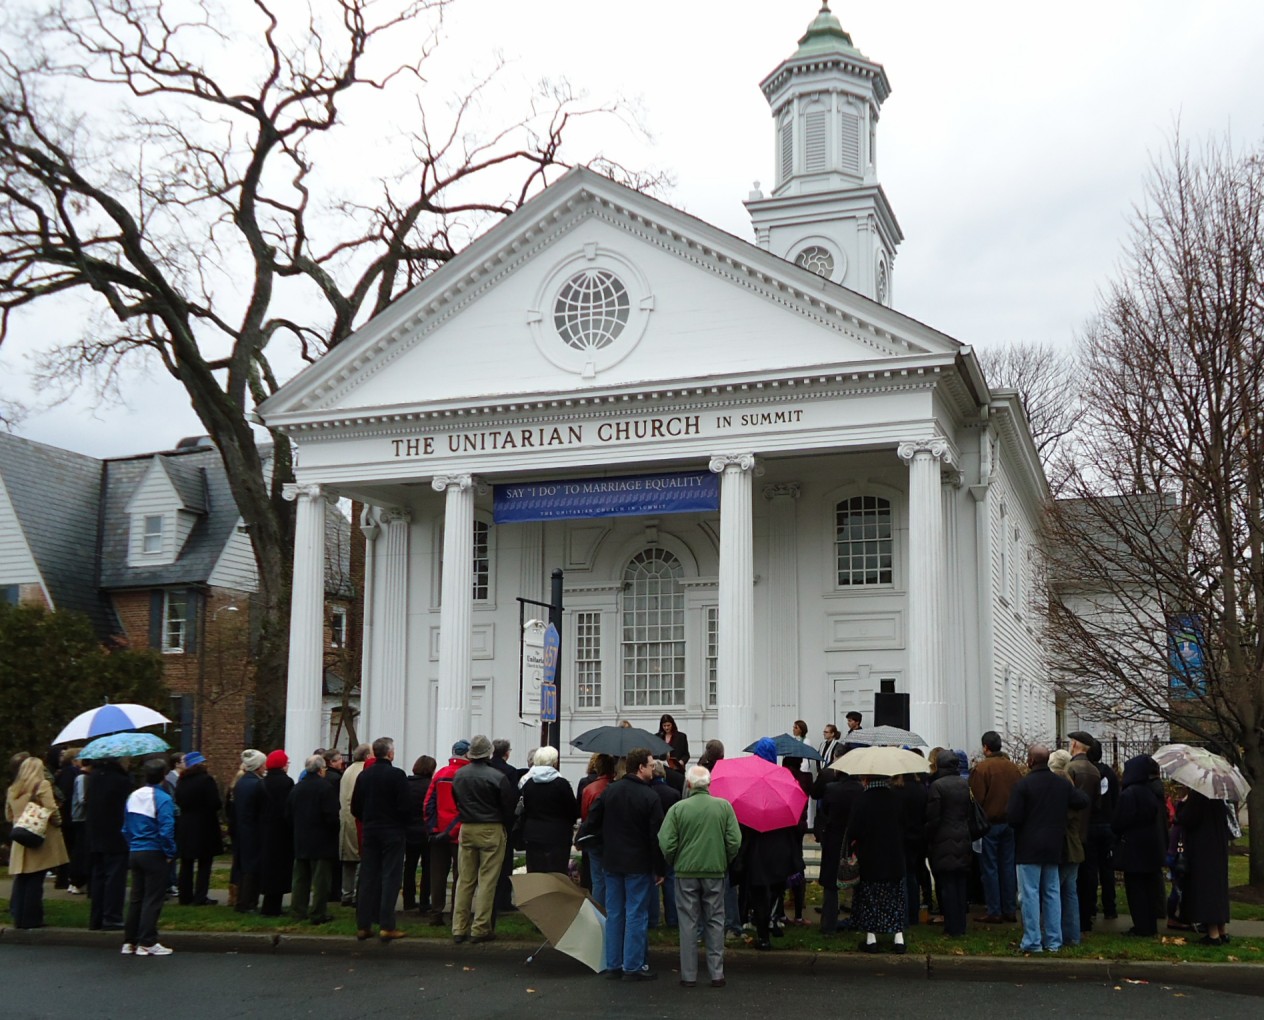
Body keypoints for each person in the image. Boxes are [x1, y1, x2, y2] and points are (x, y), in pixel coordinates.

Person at [658, 764, 741, 988]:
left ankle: (689, 975)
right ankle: (717, 973)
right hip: (714, 870)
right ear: (709, 784)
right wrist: (724, 859)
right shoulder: (723, 807)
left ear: (689, 784)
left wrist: (675, 860)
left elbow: (666, 842)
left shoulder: (678, 809)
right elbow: (734, 841)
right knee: (715, 920)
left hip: (685, 872)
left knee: (688, 922)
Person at [587, 747, 665, 980]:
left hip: (612, 860)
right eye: (651, 765)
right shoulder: (650, 797)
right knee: (636, 914)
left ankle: (613, 964)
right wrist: (660, 868)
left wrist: (600, 844)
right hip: (638, 863)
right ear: (640, 767)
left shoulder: (610, 792)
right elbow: (656, 836)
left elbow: (592, 823)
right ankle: (632, 965)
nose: (653, 769)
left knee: (614, 913)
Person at [1007, 745, 1089, 954]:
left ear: (1030, 761)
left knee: (1030, 895)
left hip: (1028, 847)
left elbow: (1013, 818)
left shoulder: (1023, 785)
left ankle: (1032, 941)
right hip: (1054, 845)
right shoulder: (1061, 785)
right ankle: (1053, 940)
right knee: (1052, 893)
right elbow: (1082, 800)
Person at [450, 734, 517, 943]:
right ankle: (480, 928)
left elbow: (456, 800)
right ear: (488, 753)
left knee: (465, 880)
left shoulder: (459, 775)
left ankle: (459, 928)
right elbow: (507, 806)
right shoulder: (497, 777)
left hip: (467, 827)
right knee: (487, 881)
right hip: (491, 827)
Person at [351, 736, 411, 941]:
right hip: (392, 831)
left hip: (370, 829)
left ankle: (363, 924)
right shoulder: (397, 775)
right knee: (390, 877)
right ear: (390, 753)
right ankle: (386, 924)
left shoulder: (364, 776)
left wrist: (368, 819)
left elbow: (355, 806)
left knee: (368, 876)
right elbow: (405, 806)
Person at [844, 771, 907, 953]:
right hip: (893, 857)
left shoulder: (862, 800)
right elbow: (904, 824)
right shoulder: (896, 798)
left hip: (870, 857)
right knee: (894, 898)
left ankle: (871, 939)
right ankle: (898, 938)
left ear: (867, 778)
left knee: (869, 898)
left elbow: (853, 829)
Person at [121, 757, 178, 955]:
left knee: (136, 898)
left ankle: (130, 941)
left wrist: (132, 844)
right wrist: (169, 852)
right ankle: (147, 941)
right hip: (154, 851)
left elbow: (125, 828)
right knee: (153, 898)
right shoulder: (163, 798)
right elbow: (166, 829)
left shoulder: (133, 796)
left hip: (135, 850)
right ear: (164, 776)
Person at [6, 755, 69, 929]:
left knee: (22, 879)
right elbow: (51, 808)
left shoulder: (13, 789)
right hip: (37, 836)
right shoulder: (42, 785)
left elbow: (8, 815)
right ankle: (32, 918)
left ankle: (19, 917)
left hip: (20, 837)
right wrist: (58, 822)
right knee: (35, 879)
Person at [969, 730, 1023, 924]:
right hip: (1009, 823)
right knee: (1008, 866)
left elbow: (976, 799)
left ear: (985, 747)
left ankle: (994, 910)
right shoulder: (1013, 768)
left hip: (989, 825)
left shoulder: (982, 769)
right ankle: (1009, 909)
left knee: (990, 868)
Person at [1111, 754, 1167, 937]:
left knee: (1136, 890)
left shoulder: (1129, 794)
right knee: (1149, 889)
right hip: (1151, 847)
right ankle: (1150, 925)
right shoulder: (1152, 792)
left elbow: (1119, 821)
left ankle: (1141, 926)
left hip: (1134, 848)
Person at [812, 744, 862, 934]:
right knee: (857, 881)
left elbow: (824, 811)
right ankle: (857, 919)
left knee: (830, 885)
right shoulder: (860, 789)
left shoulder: (831, 789)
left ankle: (828, 924)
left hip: (834, 839)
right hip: (854, 839)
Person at [288, 753, 340, 924]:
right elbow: (331, 815)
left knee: (300, 879)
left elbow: (288, 813)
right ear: (320, 770)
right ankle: (318, 912)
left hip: (301, 838)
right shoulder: (325, 788)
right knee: (321, 880)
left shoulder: (297, 788)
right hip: (322, 840)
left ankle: (298, 910)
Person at [423, 739, 471, 925]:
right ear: (467, 754)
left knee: (437, 875)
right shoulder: (466, 775)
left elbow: (428, 804)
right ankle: (456, 914)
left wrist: (432, 829)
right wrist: (453, 829)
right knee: (461, 876)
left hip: (438, 832)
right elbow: (465, 807)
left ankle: (436, 913)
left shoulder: (441, 773)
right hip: (459, 833)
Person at [1176, 788, 1232, 945]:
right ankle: (1221, 930)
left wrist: (1183, 804)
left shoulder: (1199, 795)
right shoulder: (1218, 795)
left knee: (1206, 889)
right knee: (1218, 888)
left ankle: (1213, 933)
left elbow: (1186, 819)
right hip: (1218, 848)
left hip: (1203, 849)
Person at [924, 749, 971, 936]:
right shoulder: (964, 784)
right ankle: (961, 925)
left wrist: (928, 835)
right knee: (960, 884)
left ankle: (952, 926)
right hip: (963, 836)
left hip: (943, 839)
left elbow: (933, 817)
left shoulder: (937, 786)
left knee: (947, 885)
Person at [84, 754, 132, 930]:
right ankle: (111, 916)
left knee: (98, 876)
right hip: (115, 834)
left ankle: (96, 918)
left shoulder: (94, 776)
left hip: (96, 834)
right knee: (115, 878)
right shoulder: (121, 780)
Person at [517, 745, 578, 874]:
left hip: (533, 834)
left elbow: (525, 808)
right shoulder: (562, 784)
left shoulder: (529, 784)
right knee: (557, 873)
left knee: (535, 872)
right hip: (558, 835)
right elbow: (573, 810)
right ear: (554, 762)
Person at [1048, 748, 1087, 946]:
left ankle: (1056, 933)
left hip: (1064, 849)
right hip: (1075, 849)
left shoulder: (1062, 798)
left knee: (1054, 891)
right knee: (1070, 892)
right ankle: (1072, 935)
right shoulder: (1076, 796)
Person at [174, 750, 222, 906]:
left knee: (186, 863)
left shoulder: (181, 781)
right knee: (205, 862)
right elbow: (215, 803)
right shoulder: (206, 780)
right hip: (204, 824)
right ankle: (200, 896)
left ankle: (185, 896)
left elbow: (178, 800)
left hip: (186, 824)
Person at [1066, 730, 1102, 932]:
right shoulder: (1094, 771)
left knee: (1071, 879)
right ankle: (1087, 916)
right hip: (1088, 829)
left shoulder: (1070, 768)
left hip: (1072, 830)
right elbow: (1096, 804)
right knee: (1088, 876)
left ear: (1075, 745)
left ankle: (1074, 919)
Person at [1087, 739, 1120, 922]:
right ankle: (1110, 907)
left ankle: (1091, 906)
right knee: (1107, 869)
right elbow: (1116, 799)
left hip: (1090, 825)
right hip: (1108, 825)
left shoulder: (1086, 772)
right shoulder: (1110, 774)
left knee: (1090, 869)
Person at [488, 738, 522, 914]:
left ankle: (488, 899)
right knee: (505, 861)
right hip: (503, 822)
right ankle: (503, 900)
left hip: (485, 818)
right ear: (507, 753)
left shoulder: (486, 768)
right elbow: (512, 797)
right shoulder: (509, 771)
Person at [259, 750, 295, 916]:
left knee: (269, 867)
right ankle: (275, 906)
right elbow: (289, 806)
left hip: (266, 829)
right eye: (286, 762)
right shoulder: (286, 782)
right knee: (280, 868)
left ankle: (268, 905)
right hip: (282, 830)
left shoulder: (263, 782)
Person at [579, 752, 617, 908]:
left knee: (597, 880)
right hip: (612, 838)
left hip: (594, 838)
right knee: (612, 878)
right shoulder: (616, 788)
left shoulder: (589, 789)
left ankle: (598, 910)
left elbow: (584, 815)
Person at [232, 749, 268, 913]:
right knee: (252, 867)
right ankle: (248, 902)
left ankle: (242, 900)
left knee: (244, 865)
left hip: (243, 828)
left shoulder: (241, 783)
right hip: (254, 830)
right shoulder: (257, 784)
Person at [647, 759, 681, 929]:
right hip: (670, 840)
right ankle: (673, 919)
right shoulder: (674, 794)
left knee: (653, 879)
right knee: (670, 879)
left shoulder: (647, 793)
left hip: (652, 841)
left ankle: (653, 919)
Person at [337, 743, 371, 908]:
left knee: (348, 860)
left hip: (346, 816)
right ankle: (358, 894)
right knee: (361, 857)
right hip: (358, 818)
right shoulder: (363, 771)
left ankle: (346, 893)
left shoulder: (348, 770)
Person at [403, 755, 436, 913]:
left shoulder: (406, 784)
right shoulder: (430, 786)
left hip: (408, 829)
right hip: (426, 830)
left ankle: (408, 899)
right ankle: (424, 901)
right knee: (428, 867)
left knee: (409, 866)